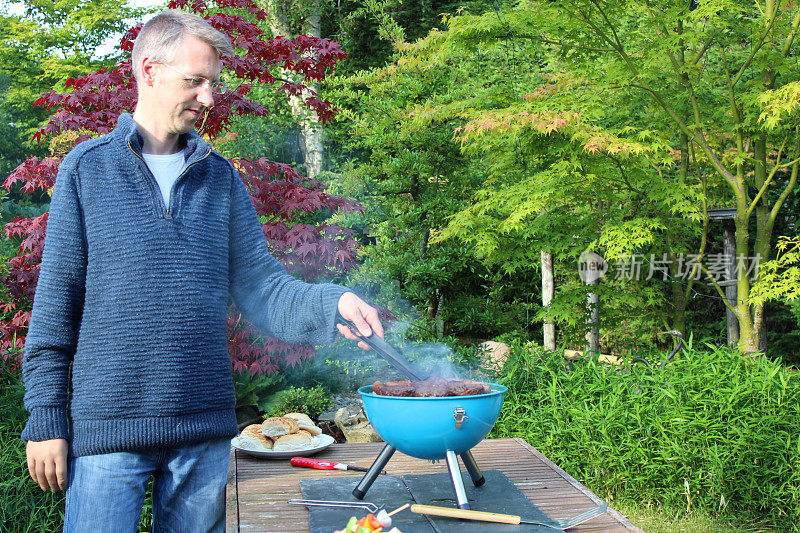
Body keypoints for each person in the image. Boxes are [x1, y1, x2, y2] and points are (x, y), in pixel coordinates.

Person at [21, 9, 382, 532]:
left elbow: (263, 289)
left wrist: (333, 302)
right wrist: (46, 419)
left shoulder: (221, 179)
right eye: (195, 81)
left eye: (213, 83)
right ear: (149, 70)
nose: (209, 99)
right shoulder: (87, 170)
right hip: (106, 432)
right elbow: (55, 309)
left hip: (203, 433)